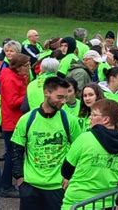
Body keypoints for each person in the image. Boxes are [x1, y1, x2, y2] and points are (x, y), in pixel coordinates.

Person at [11, 77, 81, 210]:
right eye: (60, 97)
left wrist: (72, 176)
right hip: (30, 187)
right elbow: (16, 150)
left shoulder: (70, 121)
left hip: (58, 187)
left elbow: (79, 150)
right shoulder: (27, 119)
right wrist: (19, 178)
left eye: (65, 97)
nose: (63, 102)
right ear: (46, 92)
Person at [61, 99, 118, 210]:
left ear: (106, 120)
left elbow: (66, 170)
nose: (90, 118)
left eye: (94, 115)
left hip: (77, 203)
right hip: (107, 202)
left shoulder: (85, 138)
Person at [0, 53, 30, 198]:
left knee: (14, 154)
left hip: (16, 121)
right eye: (26, 65)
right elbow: (12, 102)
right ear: (17, 67)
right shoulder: (9, 79)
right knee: (12, 155)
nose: (29, 67)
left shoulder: (17, 76)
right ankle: (6, 187)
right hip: (12, 123)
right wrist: (30, 95)